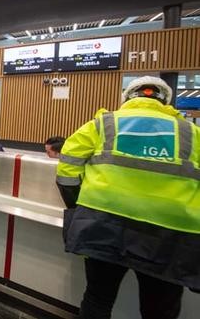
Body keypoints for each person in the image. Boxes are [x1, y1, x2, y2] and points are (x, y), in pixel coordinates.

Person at [56, 76, 200, 319]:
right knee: (159, 311)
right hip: (170, 237)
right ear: (165, 100)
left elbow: (67, 170)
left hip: (102, 224)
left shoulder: (102, 124)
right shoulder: (192, 133)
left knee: (97, 299)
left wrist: (78, 205)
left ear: (126, 98)